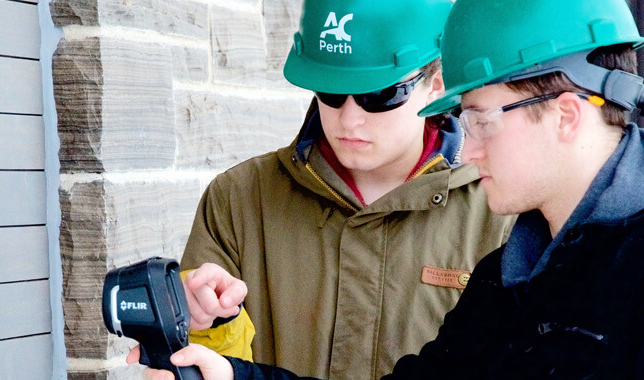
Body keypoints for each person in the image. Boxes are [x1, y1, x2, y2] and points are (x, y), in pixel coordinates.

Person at [140, 0, 644, 378]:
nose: (468, 152)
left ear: (566, 116)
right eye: (331, 94)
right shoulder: (512, 273)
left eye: (482, 122)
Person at [164, 0, 514, 378]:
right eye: (330, 92)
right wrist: (210, 323)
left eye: (379, 95)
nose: (349, 119)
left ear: (436, 85)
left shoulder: (501, 208)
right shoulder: (239, 198)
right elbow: (197, 361)